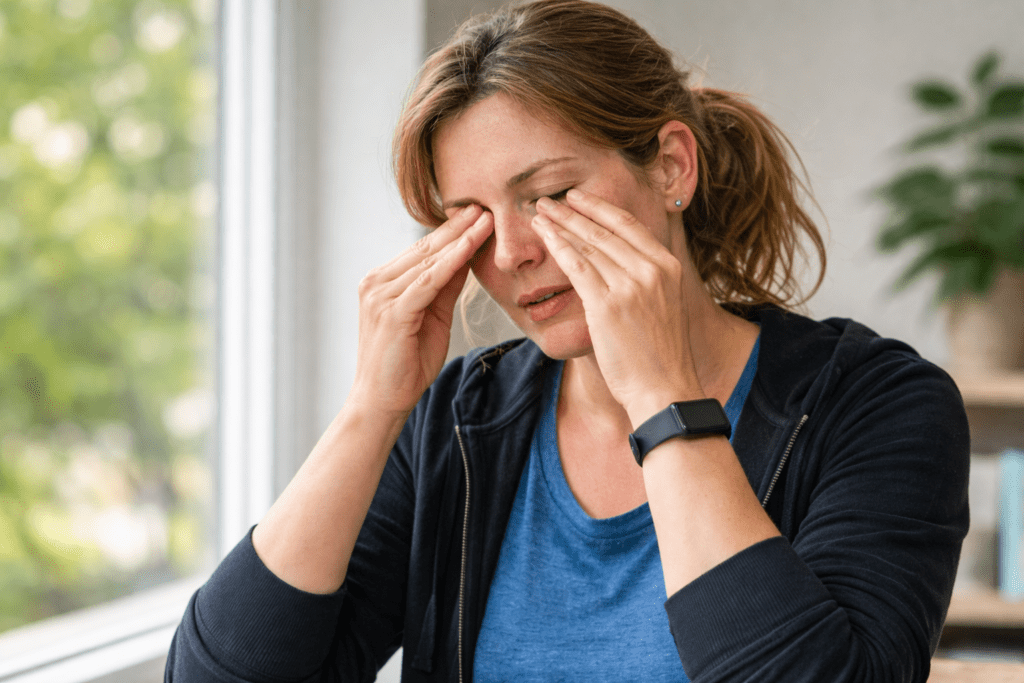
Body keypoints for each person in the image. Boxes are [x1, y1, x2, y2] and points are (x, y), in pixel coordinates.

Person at [166, 1, 969, 681]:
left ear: (671, 168)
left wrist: (661, 397)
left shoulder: (877, 406)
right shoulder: (459, 419)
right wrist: (371, 410)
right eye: (470, 219)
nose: (511, 254)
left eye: (549, 194)